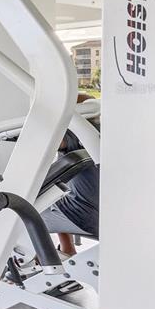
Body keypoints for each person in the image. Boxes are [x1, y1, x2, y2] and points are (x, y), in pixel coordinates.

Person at [41, 93, 100, 255]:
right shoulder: (102, 133)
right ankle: (67, 248)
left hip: (82, 217)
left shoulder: (72, 134)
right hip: (109, 219)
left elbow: (45, 139)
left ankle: (52, 255)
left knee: (22, 214)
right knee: (58, 194)